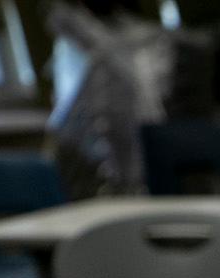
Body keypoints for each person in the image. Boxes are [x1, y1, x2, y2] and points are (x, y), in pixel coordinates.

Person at [46, 0, 174, 197]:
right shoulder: (71, 38)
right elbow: (67, 110)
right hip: (84, 151)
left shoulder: (143, 37)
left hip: (136, 144)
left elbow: (153, 96)